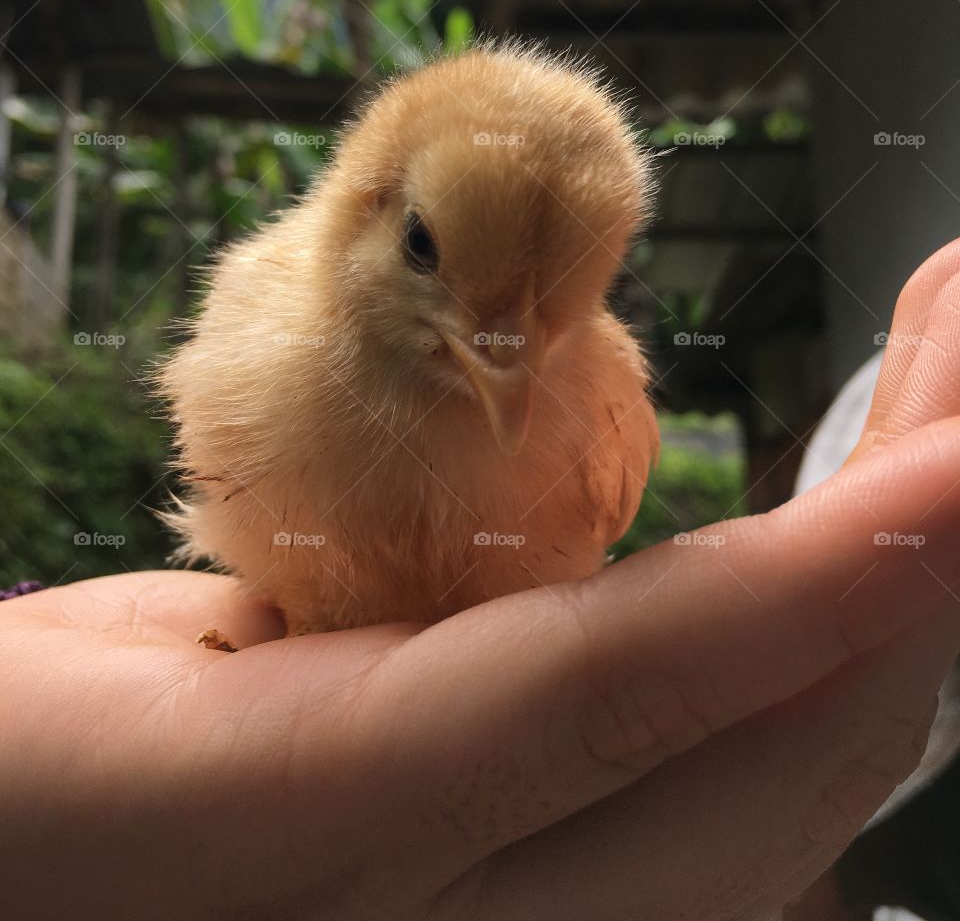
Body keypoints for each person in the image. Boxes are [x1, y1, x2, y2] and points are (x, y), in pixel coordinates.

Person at [5, 241, 960, 921]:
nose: (506, 360)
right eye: (425, 248)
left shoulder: (594, 394)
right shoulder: (257, 332)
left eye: (562, 304)